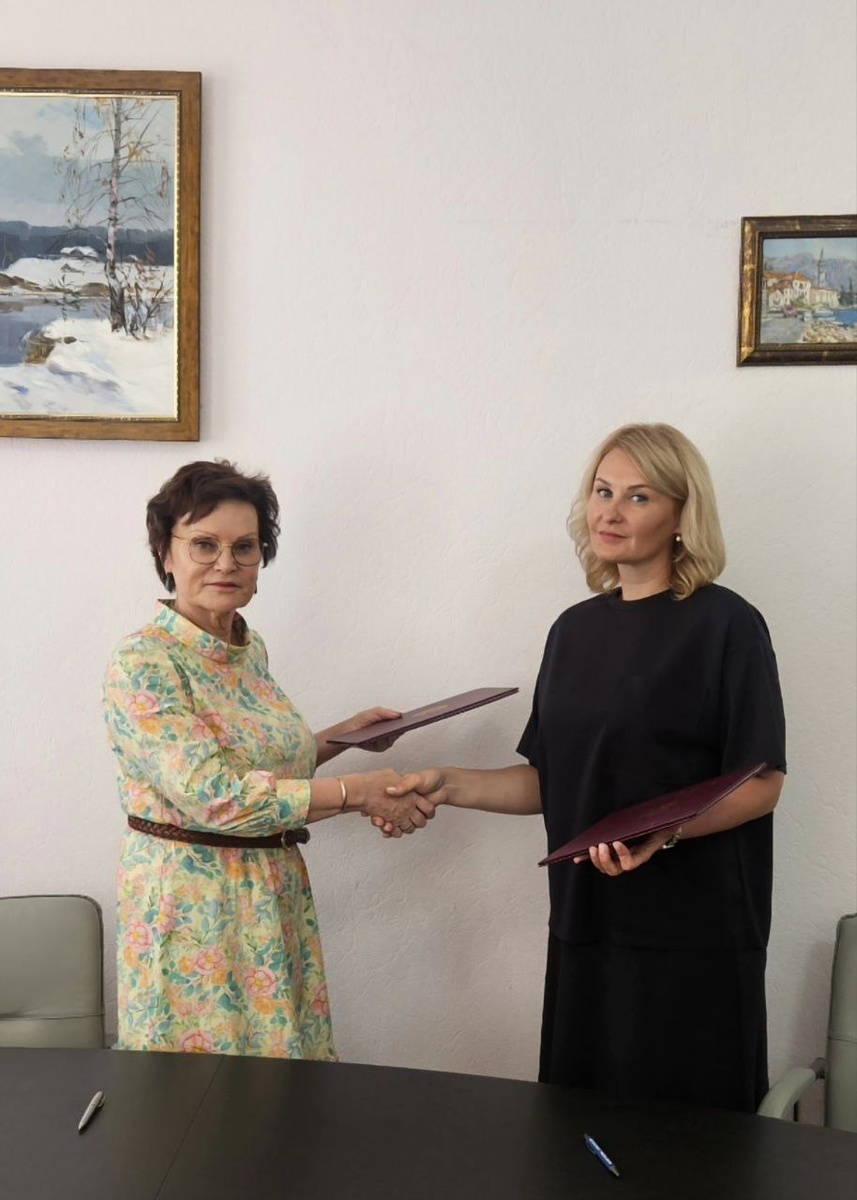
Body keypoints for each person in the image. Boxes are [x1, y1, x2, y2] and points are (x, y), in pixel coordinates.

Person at [388, 423, 786, 1112]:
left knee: (691, 1142)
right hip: (587, 920)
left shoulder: (727, 625)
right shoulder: (572, 630)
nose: (611, 512)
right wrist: (447, 784)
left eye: (639, 497)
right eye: (603, 492)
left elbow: (763, 784)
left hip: (694, 932)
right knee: (579, 1131)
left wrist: (662, 835)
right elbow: (554, 782)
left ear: (681, 517)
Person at [103, 460, 429, 1060]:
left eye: (244, 547)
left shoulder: (248, 648)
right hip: (192, 906)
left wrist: (339, 738)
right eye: (204, 544)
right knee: (201, 1090)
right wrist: (358, 792)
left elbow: (256, 768)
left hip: (271, 891)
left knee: (281, 1076)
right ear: (166, 552)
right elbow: (217, 798)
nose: (226, 563)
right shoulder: (143, 662)